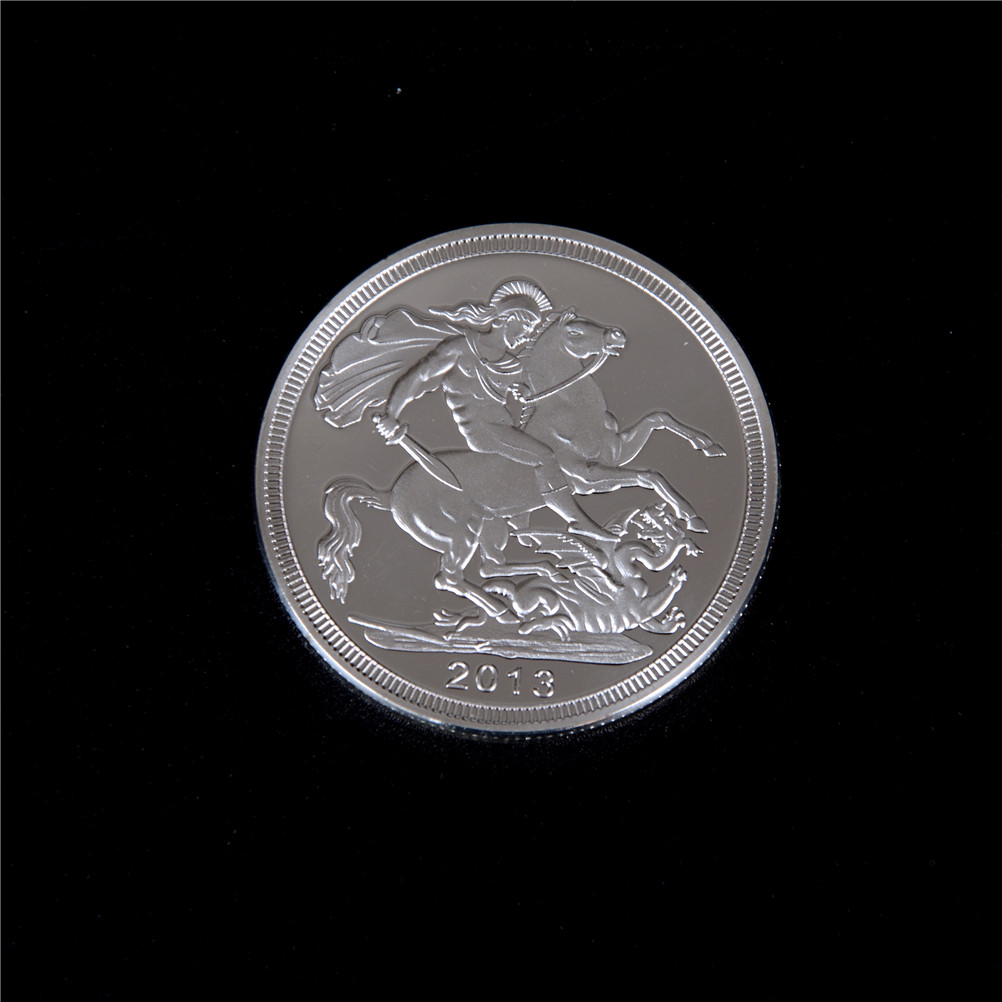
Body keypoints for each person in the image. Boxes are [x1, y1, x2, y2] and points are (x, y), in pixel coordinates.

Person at [373, 280, 617, 543]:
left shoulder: (512, 364)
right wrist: (391, 413)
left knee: (544, 451)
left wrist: (526, 393)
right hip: (484, 433)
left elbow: (534, 392)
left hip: (506, 428)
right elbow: (418, 377)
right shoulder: (460, 348)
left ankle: (520, 519)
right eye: (525, 327)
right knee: (545, 457)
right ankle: (578, 522)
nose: (526, 336)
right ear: (508, 320)